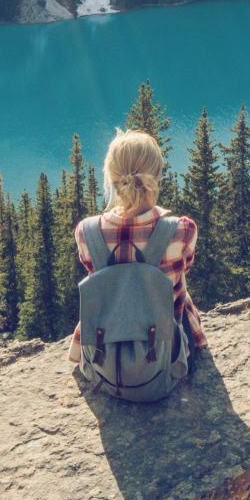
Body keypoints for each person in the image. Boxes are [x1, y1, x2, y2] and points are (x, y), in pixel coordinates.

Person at [70, 130, 208, 383]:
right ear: (156, 176)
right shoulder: (182, 230)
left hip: (103, 354)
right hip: (163, 354)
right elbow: (184, 268)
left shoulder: (86, 232)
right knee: (178, 288)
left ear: (111, 177)